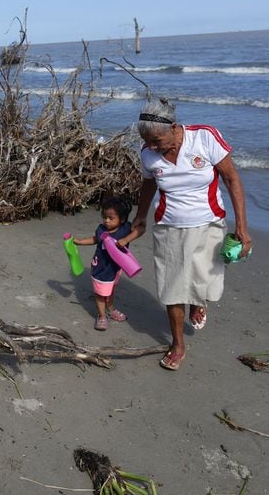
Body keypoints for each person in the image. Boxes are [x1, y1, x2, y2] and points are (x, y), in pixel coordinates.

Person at [128, 97, 252, 370]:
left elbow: (232, 179)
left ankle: (197, 302)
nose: (152, 147)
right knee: (172, 287)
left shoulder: (205, 138)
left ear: (174, 127)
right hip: (169, 226)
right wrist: (140, 215)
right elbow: (148, 184)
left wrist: (241, 226)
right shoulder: (148, 154)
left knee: (204, 278)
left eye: (156, 140)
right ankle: (178, 343)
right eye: (147, 142)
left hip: (209, 224)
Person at [73, 196, 138, 331]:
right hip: (101, 268)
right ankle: (102, 316)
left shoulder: (125, 229)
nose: (106, 221)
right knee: (100, 293)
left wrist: (126, 240)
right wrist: (79, 241)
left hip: (115, 268)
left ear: (122, 219)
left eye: (111, 218)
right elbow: (95, 239)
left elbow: (139, 230)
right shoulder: (101, 229)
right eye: (105, 217)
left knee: (110, 290)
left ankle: (111, 308)